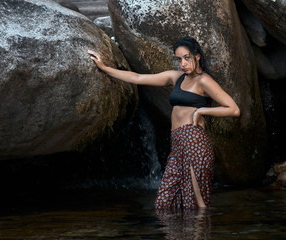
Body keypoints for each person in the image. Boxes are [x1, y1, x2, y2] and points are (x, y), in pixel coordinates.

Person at [87, 36, 240, 210]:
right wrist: (105, 68)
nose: (182, 63)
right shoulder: (176, 77)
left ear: (197, 56)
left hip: (194, 141)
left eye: (187, 57)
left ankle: (200, 234)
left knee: (196, 204)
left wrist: (202, 111)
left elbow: (233, 109)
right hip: (177, 142)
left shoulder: (204, 80)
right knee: (164, 203)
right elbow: (137, 77)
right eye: (179, 59)